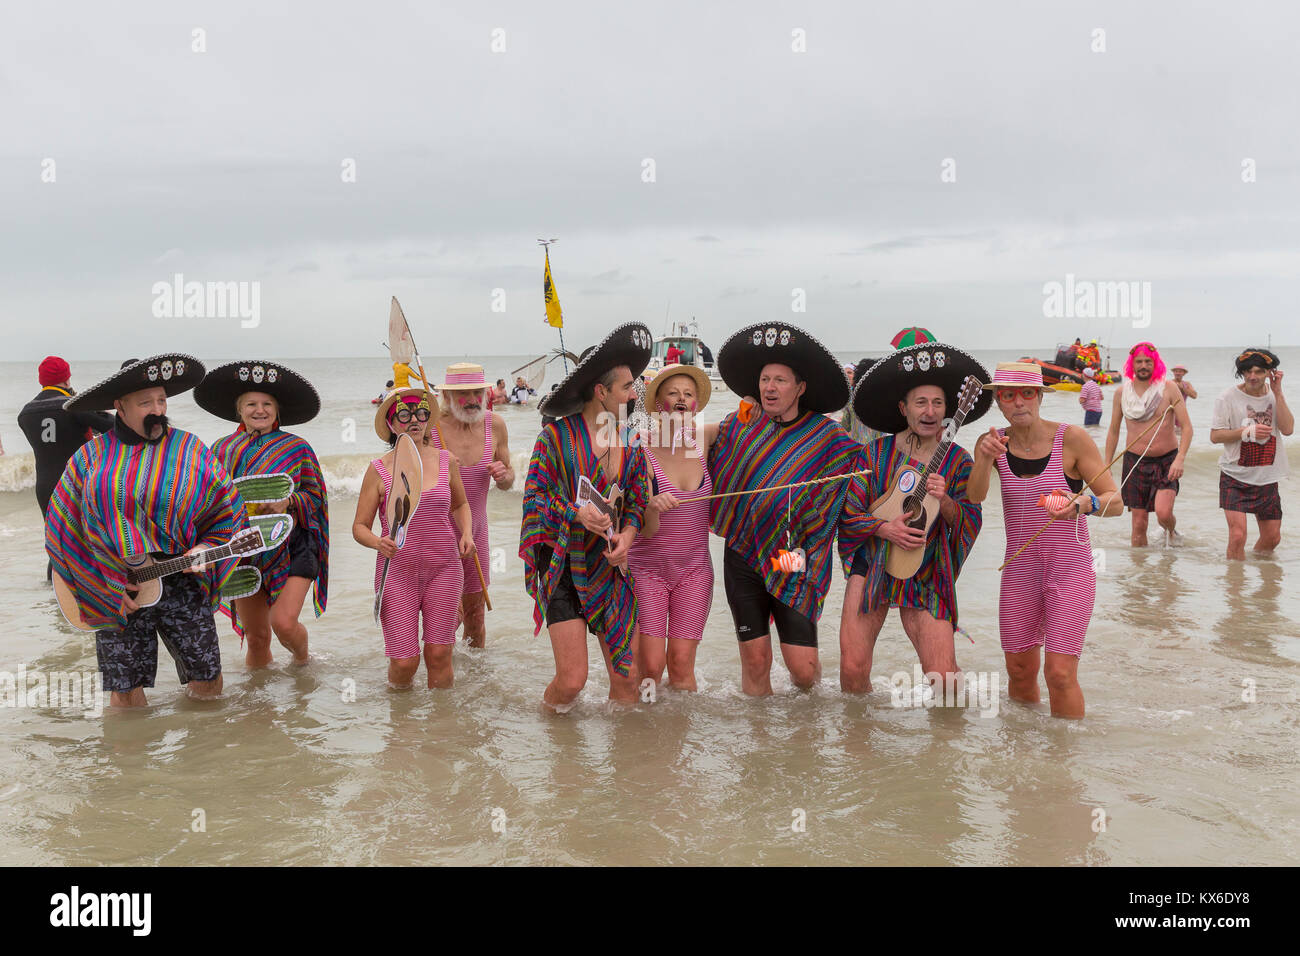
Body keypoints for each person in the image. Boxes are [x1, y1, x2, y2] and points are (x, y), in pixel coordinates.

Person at [44, 354, 245, 708]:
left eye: (162, 400)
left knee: (209, 682)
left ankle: (207, 760)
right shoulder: (89, 458)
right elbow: (63, 527)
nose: (157, 409)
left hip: (181, 577)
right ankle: (131, 762)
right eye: (145, 402)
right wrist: (98, 587)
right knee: (124, 693)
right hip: (115, 585)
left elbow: (226, 510)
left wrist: (205, 546)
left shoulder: (189, 449)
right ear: (120, 406)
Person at [708, 322, 860, 696]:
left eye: (780, 380)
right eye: (764, 379)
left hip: (792, 557)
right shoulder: (739, 426)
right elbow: (691, 446)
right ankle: (759, 743)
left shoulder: (827, 437)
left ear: (801, 388)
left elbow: (865, 476)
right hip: (744, 552)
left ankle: (802, 736)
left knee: (803, 670)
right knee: (756, 660)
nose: (769, 388)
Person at [967, 363, 1123, 718]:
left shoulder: (1072, 439)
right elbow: (975, 497)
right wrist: (983, 459)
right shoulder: (992, 443)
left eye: (1027, 393)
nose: (1018, 402)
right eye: (1008, 395)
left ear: (1039, 397)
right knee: (1020, 673)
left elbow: (1116, 502)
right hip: (1020, 572)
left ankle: (1064, 760)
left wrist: (1083, 503)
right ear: (999, 402)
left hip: (1070, 572)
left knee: (1060, 674)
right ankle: (1027, 756)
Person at [837, 344, 990, 695]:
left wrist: (946, 501)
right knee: (852, 668)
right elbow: (848, 513)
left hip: (927, 566)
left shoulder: (957, 460)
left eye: (938, 403)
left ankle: (948, 744)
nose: (930, 411)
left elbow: (970, 518)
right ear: (903, 409)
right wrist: (884, 527)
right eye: (921, 403)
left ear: (949, 411)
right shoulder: (873, 453)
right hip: (874, 558)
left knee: (944, 679)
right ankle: (859, 742)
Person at [520, 323, 653, 711]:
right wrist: (576, 514)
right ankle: (557, 747)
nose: (635, 394)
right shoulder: (555, 438)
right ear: (602, 391)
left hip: (608, 565)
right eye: (627, 387)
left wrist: (627, 537)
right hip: (561, 565)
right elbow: (534, 501)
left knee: (627, 680)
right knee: (572, 681)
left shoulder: (630, 439)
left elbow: (639, 503)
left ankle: (620, 768)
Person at [197, 361, 329, 667]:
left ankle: (303, 662)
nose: (260, 410)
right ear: (239, 410)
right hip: (244, 549)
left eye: (267, 404)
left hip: (294, 545)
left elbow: (318, 496)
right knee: (256, 638)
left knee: (283, 624)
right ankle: (257, 709)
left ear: (277, 409)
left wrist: (290, 502)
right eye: (251, 404)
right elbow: (207, 501)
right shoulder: (221, 450)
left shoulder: (298, 448)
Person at [353, 388, 475, 689]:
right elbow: (359, 526)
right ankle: (400, 723)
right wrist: (376, 542)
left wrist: (467, 533)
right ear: (393, 425)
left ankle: (440, 728)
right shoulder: (379, 470)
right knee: (405, 661)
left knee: (439, 653)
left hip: (444, 568)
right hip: (397, 572)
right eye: (404, 415)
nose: (414, 420)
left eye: (421, 413)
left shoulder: (446, 461)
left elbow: (460, 504)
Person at [629, 364, 718, 692]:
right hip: (647, 569)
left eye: (689, 394)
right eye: (673, 393)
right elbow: (643, 529)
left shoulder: (705, 438)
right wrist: (651, 507)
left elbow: (753, 427)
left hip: (695, 571)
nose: (682, 399)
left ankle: (679, 735)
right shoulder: (639, 448)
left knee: (681, 664)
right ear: (657, 404)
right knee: (651, 667)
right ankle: (648, 736)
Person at [428, 363, 515, 647]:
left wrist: (504, 475)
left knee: (475, 619)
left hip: (477, 535)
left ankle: (476, 685)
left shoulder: (496, 425)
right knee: (445, 621)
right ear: (448, 397)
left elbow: (509, 479)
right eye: (463, 394)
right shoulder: (431, 428)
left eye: (477, 392)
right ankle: (441, 684)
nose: (472, 400)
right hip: (437, 537)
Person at [17, 357, 114, 578]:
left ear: (41, 380)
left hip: (44, 486)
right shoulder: (73, 405)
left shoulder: (25, 413)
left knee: (56, 543)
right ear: (67, 377)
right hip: (75, 483)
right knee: (88, 542)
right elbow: (113, 427)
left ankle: (56, 595)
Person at [1104, 342, 1192, 547]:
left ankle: (1171, 531)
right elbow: (1113, 430)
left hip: (1166, 460)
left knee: (1163, 513)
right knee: (1139, 524)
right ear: (1132, 364)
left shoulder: (1168, 389)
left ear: (1155, 363)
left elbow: (1187, 427)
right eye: (1139, 362)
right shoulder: (1121, 393)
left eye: (1148, 362)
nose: (1143, 365)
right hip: (1135, 461)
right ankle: (1141, 574)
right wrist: (1106, 464)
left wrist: (1180, 459)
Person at [1209, 349, 1292, 560]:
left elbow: (1288, 429)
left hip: (1267, 478)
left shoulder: (1275, 395)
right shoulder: (1226, 397)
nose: (1252, 376)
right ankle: (1235, 588)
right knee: (1238, 536)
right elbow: (1215, 436)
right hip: (1234, 476)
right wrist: (1246, 432)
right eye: (1247, 371)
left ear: (1269, 373)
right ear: (1241, 373)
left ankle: (1262, 581)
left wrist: (1278, 392)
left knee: (1272, 539)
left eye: (1259, 371)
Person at [840, 357, 884, 444]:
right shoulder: (883, 399)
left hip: (858, 448)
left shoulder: (851, 400)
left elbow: (845, 426)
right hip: (879, 447)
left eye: (849, 372)